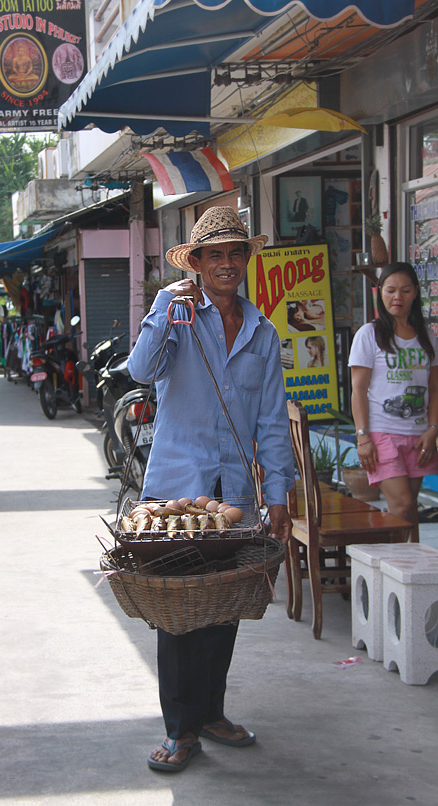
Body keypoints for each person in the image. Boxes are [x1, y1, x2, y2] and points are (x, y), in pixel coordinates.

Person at [127, 206, 293, 773]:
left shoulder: (262, 332)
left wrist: (279, 497)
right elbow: (142, 369)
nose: (226, 264)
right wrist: (162, 308)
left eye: (235, 253)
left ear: (247, 259)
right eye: (214, 254)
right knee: (177, 613)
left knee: (223, 607)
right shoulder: (176, 314)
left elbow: (272, 420)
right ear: (195, 264)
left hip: (235, 496)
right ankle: (180, 729)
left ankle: (212, 712)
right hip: (177, 489)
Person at [348, 261, 438, 541]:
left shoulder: (427, 336)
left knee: (408, 513)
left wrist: (433, 430)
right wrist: (363, 437)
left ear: (415, 294)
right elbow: (358, 389)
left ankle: (411, 574)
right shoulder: (369, 334)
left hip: (418, 436)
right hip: (381, 435)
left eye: (405, 290)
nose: (397, 297)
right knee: (401, 504)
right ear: (380, 293)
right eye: (390, 290)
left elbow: (435, 389)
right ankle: (394, 570)